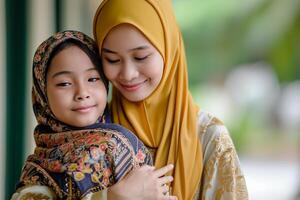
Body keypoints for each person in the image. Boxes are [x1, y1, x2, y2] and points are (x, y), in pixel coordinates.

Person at [93, 0, 249, 199]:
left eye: (141, 57)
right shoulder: (93, 132)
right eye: (112, 60)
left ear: (169, 48)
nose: (128, 73)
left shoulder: (209, 138)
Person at [11, 30, 160, 199]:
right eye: (64, 83)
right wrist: (109, 197)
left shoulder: (125, 140)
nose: (82, 93)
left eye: (93, 79)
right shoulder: (39, 173)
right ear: (41, 93)